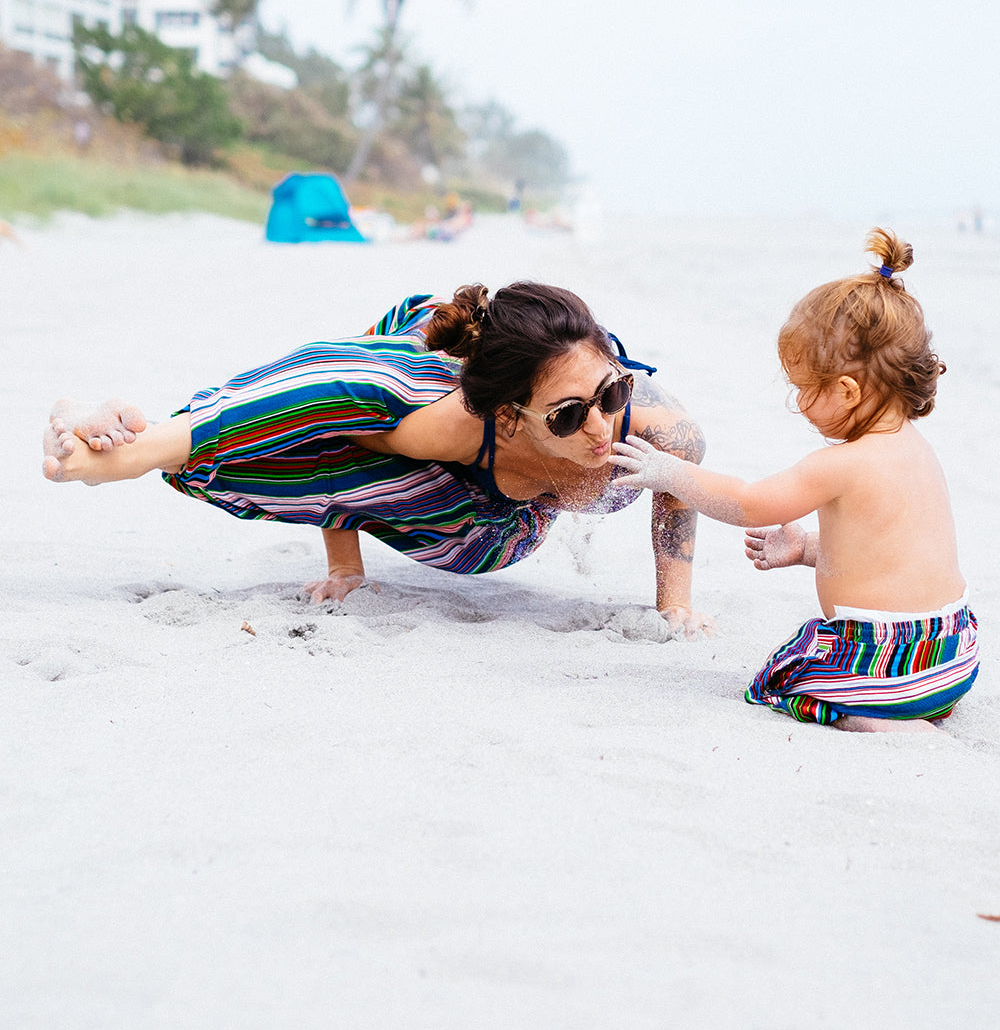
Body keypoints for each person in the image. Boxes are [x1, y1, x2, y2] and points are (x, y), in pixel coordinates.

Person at [43, 282, 715, 638]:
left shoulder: (657, 429)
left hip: (494, 535)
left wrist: (674, 605)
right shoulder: (438, 425)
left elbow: (687, 491)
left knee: (383, 374)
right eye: (569, 415)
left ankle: (147, 438)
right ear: (508, 415)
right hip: (432, 407)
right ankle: (135, 445)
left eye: (612, 391)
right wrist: (344, 564)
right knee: (359, 387)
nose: (601, 425)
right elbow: (334, 451)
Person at [610, 230, 978, 729]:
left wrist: (671, 472)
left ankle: (874, 721)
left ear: (847, 391)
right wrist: (806, 548)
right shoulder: (919, 450)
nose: (798, 402)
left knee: (782, 677)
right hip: (953, 656)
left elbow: (748, 503)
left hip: (887, 662)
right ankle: (923, 706)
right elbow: (893, 550)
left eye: (804, 388)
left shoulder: (839, 464)